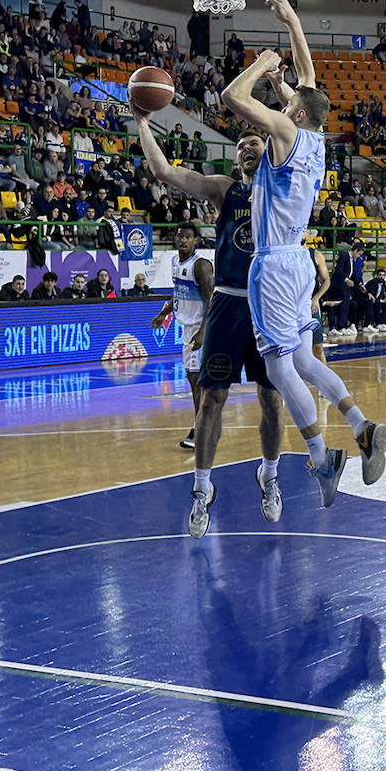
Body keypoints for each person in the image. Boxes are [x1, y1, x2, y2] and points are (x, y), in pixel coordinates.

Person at [220, 0, 386, 511]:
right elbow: (311, 77)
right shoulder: (317, 137)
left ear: (295, 111)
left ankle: (321, 458)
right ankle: (361, 426)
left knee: (277, 369)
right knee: (303, 360)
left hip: (272, 263)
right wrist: (293, 21)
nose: (283, 99)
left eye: (287, 100)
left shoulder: (288, 129)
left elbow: (232, 99)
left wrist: (260, 65)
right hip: (297, 257)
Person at [133, 118, 287, 538]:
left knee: (272, 402)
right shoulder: (225, 189)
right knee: (210, 399)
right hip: (227, 303)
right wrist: (144, 123)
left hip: (268, 306)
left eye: (254, 142)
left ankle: (269, 476)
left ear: (269, 149)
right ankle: (201, 489)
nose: (246, 149)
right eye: (240, 146)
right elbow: (165, 172)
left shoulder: (282, 186)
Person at [150, 222, 213, 451]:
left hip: (200, 328)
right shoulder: (176, 262)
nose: (183, 240)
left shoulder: (201, 266)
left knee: (198, 383)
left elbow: (211, 300)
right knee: (193, 381)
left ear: (196, 240)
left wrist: (203, 331)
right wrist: (164, 313)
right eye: (180, 236)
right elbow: (178, 291)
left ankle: (200, 430)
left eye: (188, 237)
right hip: (187, 329)